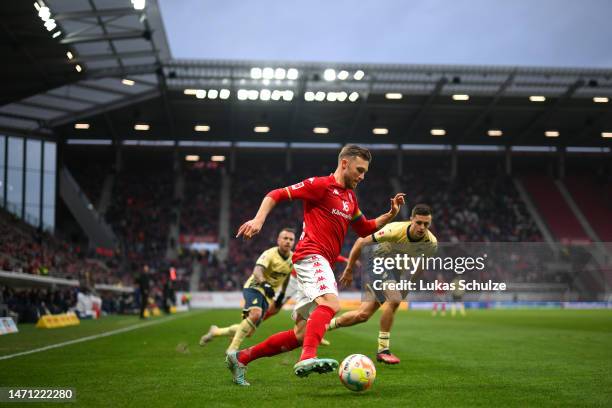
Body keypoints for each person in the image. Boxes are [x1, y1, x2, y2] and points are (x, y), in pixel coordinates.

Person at [226, 144, 405, 386]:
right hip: (311, 255)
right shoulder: (320, 185)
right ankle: (308, 357)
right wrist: (258, 220)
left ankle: (241, 358)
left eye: (365, 172)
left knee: (301, 334)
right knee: (331, 303)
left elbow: (364, 228)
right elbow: (276, 193)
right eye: (359, 170)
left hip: (320, 263)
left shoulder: (350, 198)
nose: (362, 177)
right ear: (344, 164)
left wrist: (389, 215)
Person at [327, 204, 438, 364]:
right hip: (378, 262)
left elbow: (421, 267)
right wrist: (349, 269)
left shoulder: (431, 243)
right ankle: (383, 349)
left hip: (395, 272)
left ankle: (322, 327)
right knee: (394, 299)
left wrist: (408, 286)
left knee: (362, 315)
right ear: (411, 220)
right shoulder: (395, 230)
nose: (422, 227)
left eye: (426, 224)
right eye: (418, 223)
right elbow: (360, 242)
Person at [199, 228, 296, 352]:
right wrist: (265, 284)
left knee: (248, 331)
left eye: (291, 239)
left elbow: (286, 276)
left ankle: (216, 331)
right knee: (256, 314)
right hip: (255, 287)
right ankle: (232, 349)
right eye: (285, 238)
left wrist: (282, 295)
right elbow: (257, 271)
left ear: (294, 242)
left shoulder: (293, 259)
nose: (288, 241)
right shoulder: (270, 254)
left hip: (267, 295)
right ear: (278, 240)